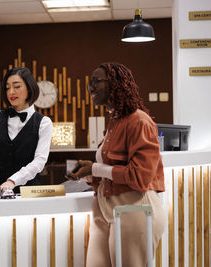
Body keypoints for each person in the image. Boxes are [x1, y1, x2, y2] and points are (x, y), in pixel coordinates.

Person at [67, 63, 165, 266]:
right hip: (103, 208)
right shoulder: (114, 121)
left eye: (96, 81)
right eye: (89, 83)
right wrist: (89, 174)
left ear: (116, 84)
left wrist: (94, 168)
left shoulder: (139, 121)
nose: (91, 87)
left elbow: (140, 177)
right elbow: (110, 171)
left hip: (134, 209)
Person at [0, 67, 53, 193]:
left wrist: (13, 181)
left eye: (17, 86)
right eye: (7, 88)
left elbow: (39, 161)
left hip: (29, 193)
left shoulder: (44, 123)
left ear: (29, 88)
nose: (11, 92)